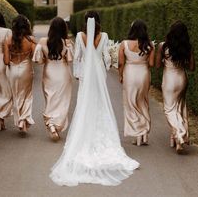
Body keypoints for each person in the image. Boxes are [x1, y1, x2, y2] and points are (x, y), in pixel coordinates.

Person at [50, 11, 139, 186]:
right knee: (99, 103)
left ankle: (83, 135)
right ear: (99, 20)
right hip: (98, 73)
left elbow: (77, 57)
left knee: (84, 104)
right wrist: (104, 68)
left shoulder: (80, 35)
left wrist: (77, 73)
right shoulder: (104, 35)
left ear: (85, 22)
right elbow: (106, 56)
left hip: (85, 73)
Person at [156, 20, 195, 153]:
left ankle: (179, 134)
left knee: (169, 109)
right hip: (182, 78)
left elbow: (157, 65)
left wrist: (164, 61)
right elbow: (192, 67)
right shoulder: (187, 47)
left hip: (169, 79)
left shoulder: (163, 46)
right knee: (180, 107)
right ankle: (177, 141)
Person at [32, 17, 73, 141]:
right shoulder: (67, 42)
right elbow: (70, 60)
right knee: (63, 101)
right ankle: (56, 125)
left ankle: (51, 124)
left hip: (49, 73)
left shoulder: (43, 41)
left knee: (50, 99)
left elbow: (38, 61)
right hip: (63, 73)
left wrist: (46, 59)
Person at [118, 19, 155, 146]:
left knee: (131, 103)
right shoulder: (149, 45)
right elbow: (151, 64)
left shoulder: (124, 44)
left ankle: (137, 133)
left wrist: (121, 75)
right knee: (143, 102)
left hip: (130, 74)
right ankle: (143, 135)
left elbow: (121, 63)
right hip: (144, 74)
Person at [4, 15, 36, 134]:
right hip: (26, 69)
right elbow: (35, 57)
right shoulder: (30, 40)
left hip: (13, 70)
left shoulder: (8, 40)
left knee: (16, 95)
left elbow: (6, 61)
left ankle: (20, 120)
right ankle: (23, 119)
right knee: (27, 95)